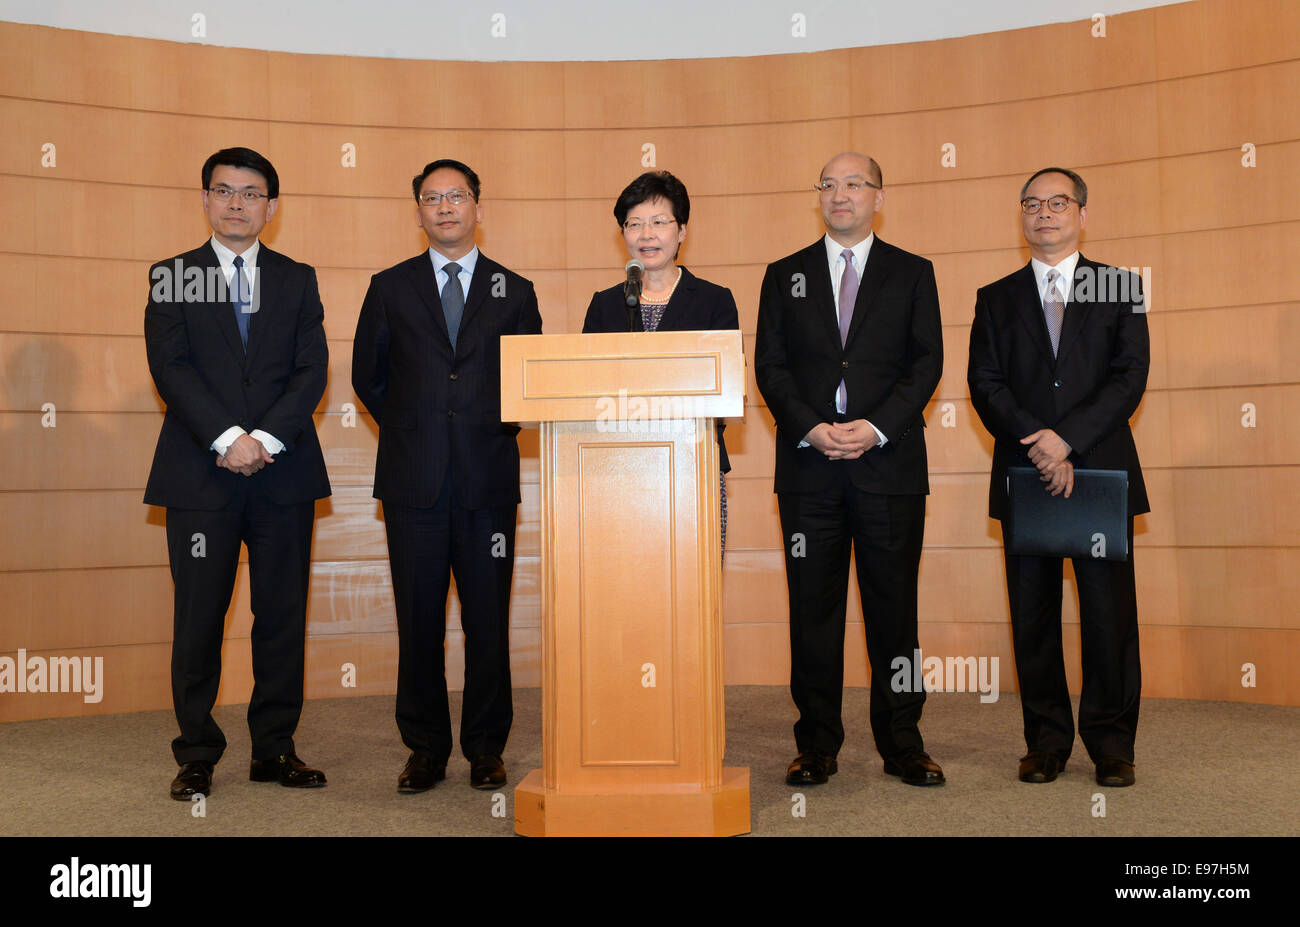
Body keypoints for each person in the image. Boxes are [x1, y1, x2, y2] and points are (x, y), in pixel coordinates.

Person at [144, 147, 331, 800]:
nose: (236, 203)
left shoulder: (297, 277)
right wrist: (228, 438)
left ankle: (275, 749)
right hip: (201, 474)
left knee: (280, 617)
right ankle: (196, 752)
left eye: (251, 194)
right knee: (199, 618)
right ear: (204, 199)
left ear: (271, 208)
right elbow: (172, 367)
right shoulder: (173, 275)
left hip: (283, 474)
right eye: (223, 190)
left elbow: (312, 370)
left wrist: (267, 438)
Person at [755, 151, 945, 787]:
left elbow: (926, 364)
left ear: (878, 197)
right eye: (829, 185)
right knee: (814, 612)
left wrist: (874, 427)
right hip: (810, 470)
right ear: (819, 198)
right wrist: (811, 427)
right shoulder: (785, 275)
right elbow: (770, 367)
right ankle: (816, 745)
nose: (841, 195)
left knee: (896, 611)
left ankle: (902, 742)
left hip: (887, 467)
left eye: (855, 184)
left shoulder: (913, 273)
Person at [352, 159, 542, 793]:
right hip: (414, 483)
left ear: (478, 207)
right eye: (431, 199)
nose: (444, 208)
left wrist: (482, 431)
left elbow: (527, 386)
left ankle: (487, 748)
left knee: (488, 620)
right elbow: (368, 377)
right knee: (420, 621)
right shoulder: (389, 287)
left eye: (456, 196)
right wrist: (416, 429)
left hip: (488, 483)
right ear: (418, 214)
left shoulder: (514, 291)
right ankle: (426, 749)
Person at [967, 167, 1148, 788]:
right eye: (1032, 204)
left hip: (1099, 470)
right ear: (1021, 215)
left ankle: (1112, 744)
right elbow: (984, 383)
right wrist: (1038, 442)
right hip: (1026, 472)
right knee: (1033, 615)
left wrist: (1067, 438)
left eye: (1058, 202)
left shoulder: (1119, 287)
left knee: (1109, 616)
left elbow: (1129, 375)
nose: (1044, 213)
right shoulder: (996, 296)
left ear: (1083, 213)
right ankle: (1045, 742)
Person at [581, 170, 739, 552]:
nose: (646, 234)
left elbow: (727, 388)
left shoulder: (714, 301)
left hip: (693, 466)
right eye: (633, 224)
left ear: (682, 230)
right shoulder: (604, 305)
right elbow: (585, 388)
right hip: (616, 470)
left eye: (658, 222)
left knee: (693, 592)